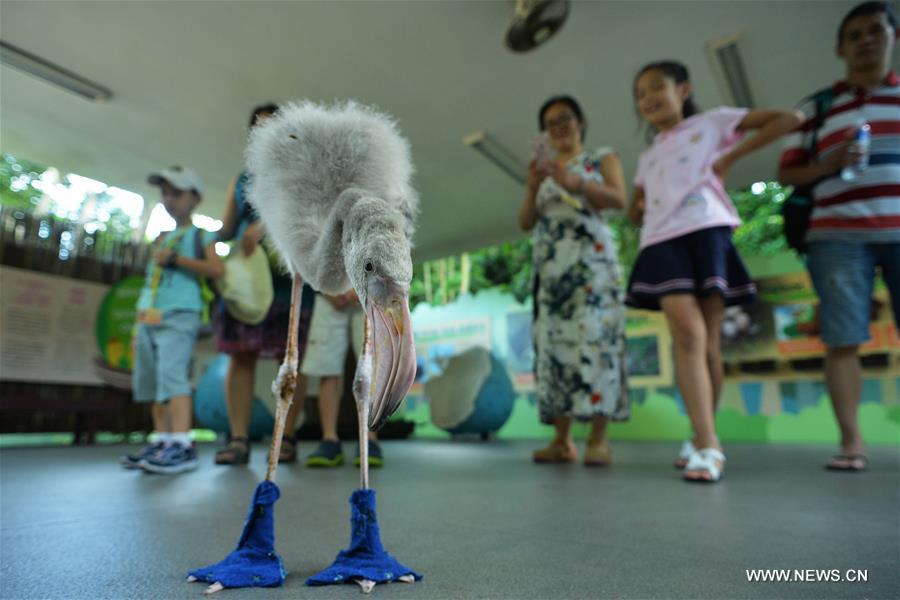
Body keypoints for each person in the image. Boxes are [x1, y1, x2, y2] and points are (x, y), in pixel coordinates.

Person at [628, 61, 803, 483]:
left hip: (707, 231)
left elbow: (790, 118)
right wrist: (638, 208)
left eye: (657, 87)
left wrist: (732, 156)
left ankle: (699, 433)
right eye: (640, 94)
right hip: (661, 241)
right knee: (687, 335)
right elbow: (636, 206)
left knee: (708, 346)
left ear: (683, 89)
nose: (648, 98)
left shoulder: (713, 122)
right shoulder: (647, 155)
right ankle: (709, 445)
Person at [777, 2, 899, 473]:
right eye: (855, 34)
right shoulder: (817, 106)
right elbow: (786, 171)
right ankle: (852, 443)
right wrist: (827, 165)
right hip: (837, 234)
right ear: (840, 47)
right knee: (842, 336)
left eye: (876, 31)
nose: (866, 40)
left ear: (893, 38)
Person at [518, 95, 630, 466]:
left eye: (565, 118)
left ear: (581, 121)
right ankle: (562, 439)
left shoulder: (602, 158)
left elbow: (618, 198)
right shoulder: (544, 170)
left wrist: (576, 182)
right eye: (551, 123)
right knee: (554, 350)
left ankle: (599, 438)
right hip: (552, 276)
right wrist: (535, 186)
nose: (559, 127)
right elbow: (524, 222)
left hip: (592, 271)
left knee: (597, 342)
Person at [214, 103, 315, 465]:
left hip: (291, 281)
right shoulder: (242, 179)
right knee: (241, 356)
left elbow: (315, 220)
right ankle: (239, 439)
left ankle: (285, 437)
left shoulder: (304, 174)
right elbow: (226, 228)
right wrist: (201, 242)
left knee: (290, 359)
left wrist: (269, 226)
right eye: (259, 128)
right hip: (246, 283)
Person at [120, 167, 224, 474]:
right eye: (165, 193)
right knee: (152, 381)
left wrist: (177, 260)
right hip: (149, 317)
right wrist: (139, 321)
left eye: (176, 193)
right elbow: (151, 280)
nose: (168, 199)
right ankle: (163, 439)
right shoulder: (162, 238)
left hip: (181, 315)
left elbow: (217, 270)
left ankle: (182, 443)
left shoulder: (201, 236)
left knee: (173, 376)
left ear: (195, 198)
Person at [301, 290, 383, 468]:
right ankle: (329, 438)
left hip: (369, 293)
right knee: (327, 368)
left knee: (369, 367)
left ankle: (370, 439)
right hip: (328, 294)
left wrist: (365, 286)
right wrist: (327, 289)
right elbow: (311, 261)